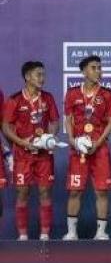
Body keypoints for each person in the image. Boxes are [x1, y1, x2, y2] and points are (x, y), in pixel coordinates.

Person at [2, 61, 59, 240]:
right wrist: (22, 143)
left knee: (45, 191)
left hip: (43, 156)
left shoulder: (48, 98)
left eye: (43, 74)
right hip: (22, 155)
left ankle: (44, 234)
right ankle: (23, 235)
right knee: (22, 192)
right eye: (38, 74)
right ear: (27, 77)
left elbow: (55, 121)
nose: (42, 78)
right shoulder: (14, 99)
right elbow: (6, 127)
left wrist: (48, 138)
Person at [63, 56, 111, 240]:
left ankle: (101, 232)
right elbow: (68, 120)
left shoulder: (107, 94)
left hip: (99, 149)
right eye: (94, 68)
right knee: (75, 190)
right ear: (84, 71)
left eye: (100, 68)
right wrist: (72, 140)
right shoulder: (71, 94)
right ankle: (71, 232)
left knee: (101, 191)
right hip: (78, 150)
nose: (98, 71)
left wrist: (99, 142)